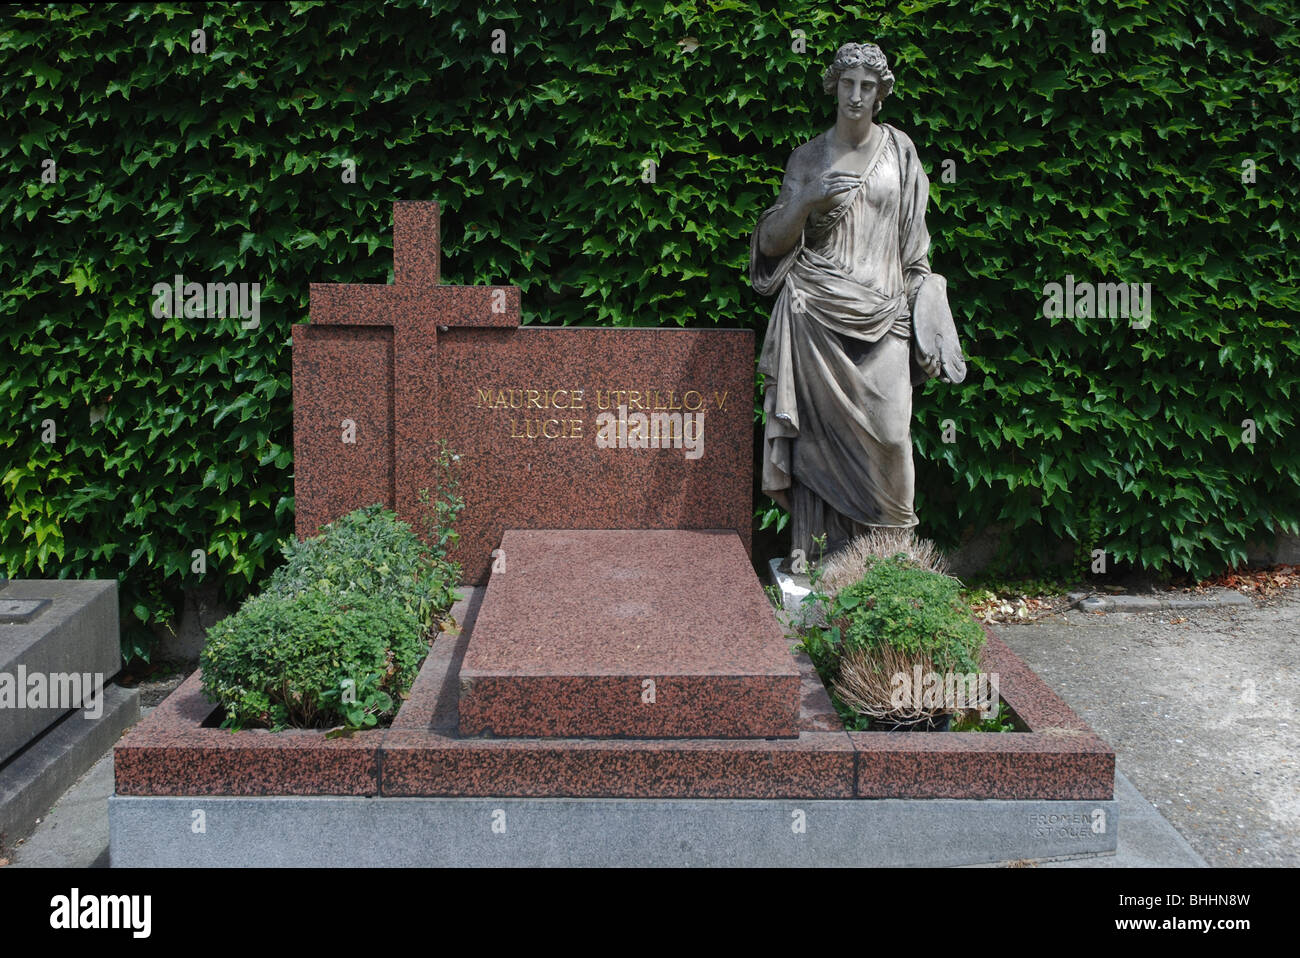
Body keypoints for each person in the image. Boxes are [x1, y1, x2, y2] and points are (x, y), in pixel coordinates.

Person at [751, 41, 946, 561]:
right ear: (833, 87)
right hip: (813, 310)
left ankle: (893, 558)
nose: (856, 96)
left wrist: (919, 303)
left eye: (867, 86)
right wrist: (808, 198)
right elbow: (771, 243)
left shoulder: (900, 151)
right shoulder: (808, 157)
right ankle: (820, 551)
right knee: (815, 443)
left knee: (891, 434)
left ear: (880, 95)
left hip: (884, 314)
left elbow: (915, 248)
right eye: (847, 84)